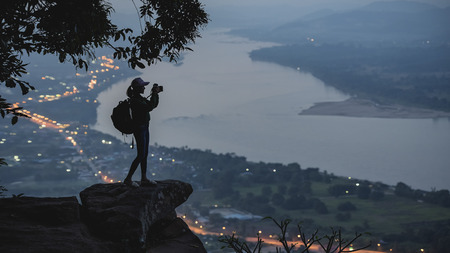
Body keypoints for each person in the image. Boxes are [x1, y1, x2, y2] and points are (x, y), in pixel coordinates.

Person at [123, 77, 161, 186]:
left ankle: (144, 177)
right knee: (141, 155)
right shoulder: (135, 100)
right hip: (139, 129)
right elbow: (150, 107)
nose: (144, 88)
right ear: (138, 88)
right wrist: (154, 94)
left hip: (144, 127)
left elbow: (152, 105)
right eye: (143, 86)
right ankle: (128, 179)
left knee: (145, 154)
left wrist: (155, 94)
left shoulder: (139, 98)